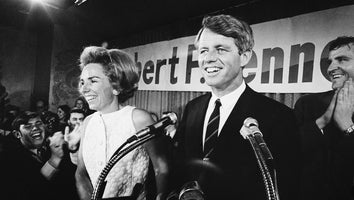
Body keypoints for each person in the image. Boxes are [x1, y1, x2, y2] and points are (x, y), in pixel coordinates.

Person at [172, 14, 301, 200]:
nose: (208, 58)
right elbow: (181, 168)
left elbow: (287, 187)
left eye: (220, 49)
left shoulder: (278, 116)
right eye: (203, 51)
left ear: (244, 57)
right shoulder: (192, 108)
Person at [75, 46, 170, 200]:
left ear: (116, 86)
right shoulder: (87, 122)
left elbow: (162, 168)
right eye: (82, 82)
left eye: (93, 81)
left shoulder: (138, 118)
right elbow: (81, 173)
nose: (84, 89)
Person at [294, 36, 354, 200]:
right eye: (331, 61)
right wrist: (322, 121)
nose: (331, 68)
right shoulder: (307, 103)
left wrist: (347, 126)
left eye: (342, 60)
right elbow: (289, 151)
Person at [0, 111, 78, 200]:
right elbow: (29, 191)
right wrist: (54, 159)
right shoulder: (8, 159)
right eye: (28, 126)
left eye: (39, 123)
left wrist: (73, 149)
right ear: (17, 134)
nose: (35, 128)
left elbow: (73, 178)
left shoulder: (53, 148)